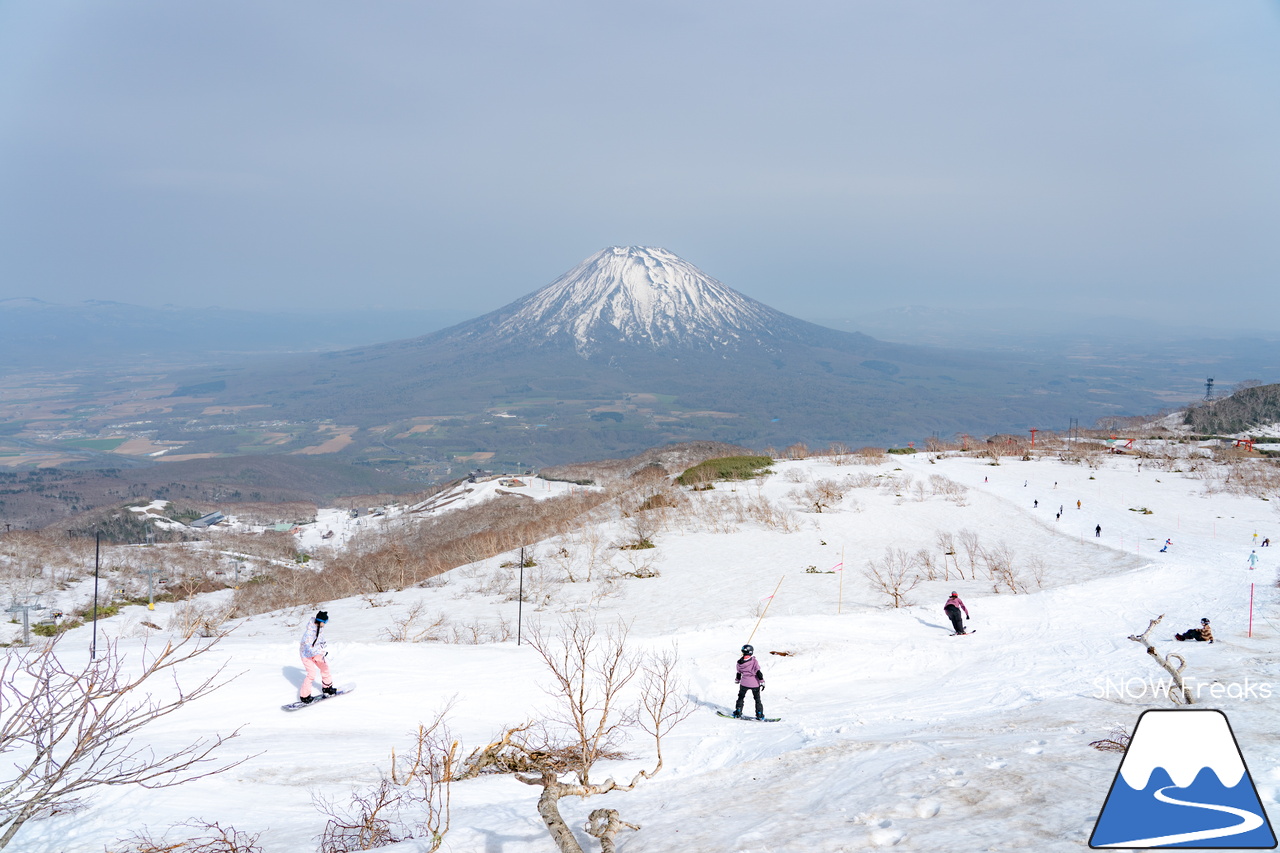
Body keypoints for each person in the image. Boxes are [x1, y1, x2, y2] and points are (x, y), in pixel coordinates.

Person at [298, 610, 337, 704]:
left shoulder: (320, 629)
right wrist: (319, 652)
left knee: (325, 668)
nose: (325, 624)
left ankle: (327, 688)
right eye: (325, 622)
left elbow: (320, 642)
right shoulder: (309, 632)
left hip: (316, 653)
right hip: (306, 655)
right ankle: (304, 696)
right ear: (321, 621)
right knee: (311, 674)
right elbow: (307, 647)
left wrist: (322, 650)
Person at [733, 644, 766, 719]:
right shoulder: (754, 661)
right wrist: (762, 681)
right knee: (757, 699)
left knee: (741, 697)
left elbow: (738, 673)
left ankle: (738, 711)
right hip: (754, 683)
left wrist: (737, 680)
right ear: (751, 652)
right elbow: (758, 672)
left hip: (744, 683)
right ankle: (759, 714)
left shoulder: (739, 662)